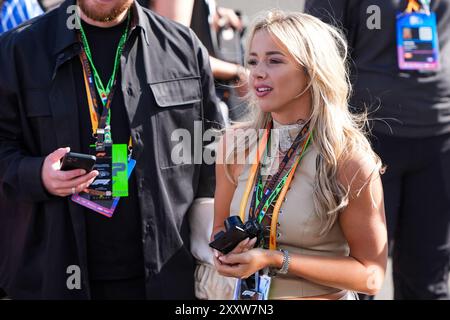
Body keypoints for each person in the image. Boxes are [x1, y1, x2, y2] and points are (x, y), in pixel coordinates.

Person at [0, 0, 222, 299]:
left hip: (163, 279)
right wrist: (37, 174)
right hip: (53, 277)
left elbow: (211, 152)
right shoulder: (19, 49)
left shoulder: (182, 48)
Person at [212, 10, 388, 300]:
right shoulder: (235, 144)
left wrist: (275, 259)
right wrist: (227, 253)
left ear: (312, 71)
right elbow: (219, 228)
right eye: (253, 61)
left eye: (274, 60)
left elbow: (371, 276)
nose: (257, 72)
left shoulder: (347, 158)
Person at [305, 0, 450, 300]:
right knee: (358, 275)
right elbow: (318, 50)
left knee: (429, 275)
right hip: (366, 138)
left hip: (439, 135)